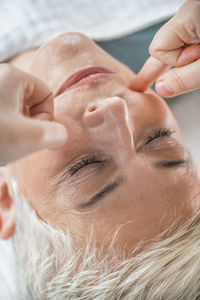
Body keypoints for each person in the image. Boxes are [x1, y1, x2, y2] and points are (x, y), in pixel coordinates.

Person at [0, 1, 200, 299]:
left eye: (86, 166)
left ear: (5, 202)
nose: (115, 110)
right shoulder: (181, 33)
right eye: (159, 138)